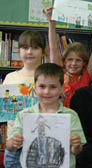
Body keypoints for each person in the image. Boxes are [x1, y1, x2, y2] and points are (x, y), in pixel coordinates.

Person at [5, 63, 86, 168]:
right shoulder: (24, 115)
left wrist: (76, 145)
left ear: (62, 88)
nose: (47, 92)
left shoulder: (71, 115)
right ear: (35, 87)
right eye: (42, 86)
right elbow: (10, 147)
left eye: (53, 87)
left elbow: (77, 151)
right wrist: (13, 142)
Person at [43, 7, 92, 107]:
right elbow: (54, 48)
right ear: (64, 61)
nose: (73, 63)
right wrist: (51, 22)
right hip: (62, 118)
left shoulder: (86, 75)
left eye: (78, 60)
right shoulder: (59, 73)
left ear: (84, 63)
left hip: (81, 118)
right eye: (70, 59)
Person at [3, 30, 47, 168]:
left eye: (35, 48)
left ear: (43, 52)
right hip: (15, 143)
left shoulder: (48, 76)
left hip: (41, 142)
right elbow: (6, 111)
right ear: (19, 51)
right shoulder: (10, 77)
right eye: (25, 47)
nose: (29, 52)